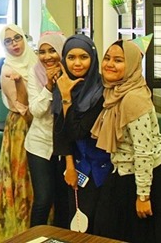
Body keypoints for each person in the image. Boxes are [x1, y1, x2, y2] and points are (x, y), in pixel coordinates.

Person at [91, 39, 161, 243]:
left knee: (143, 234)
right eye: (107, 58)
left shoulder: (132, 97)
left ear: (131, 64)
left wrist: (143, 196)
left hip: (148, 176)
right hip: (124, 171)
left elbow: (143, 151)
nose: (110, 64)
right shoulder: (114, 91)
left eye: (118, 60)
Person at [52, 34, 112, 234]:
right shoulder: (61, 85)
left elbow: (78, 131)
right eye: (71, 57)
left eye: (83, 57)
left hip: (102, 166)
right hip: (75, 165)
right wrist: (69, 166)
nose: (77, 63)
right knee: (76, 223)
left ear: (93, 59)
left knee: (100, 223)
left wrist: (67, 98)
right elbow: (60, 131)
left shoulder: (102, 90)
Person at [0, 24, 37, 243]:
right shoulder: (8, 70)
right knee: (22, 177)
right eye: (8, 41)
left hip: (41, 124)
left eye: (17, 38)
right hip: (22, 126)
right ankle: (20, 229)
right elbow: (23, 107)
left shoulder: (36, 61)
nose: (14, 44)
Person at [25, 32, 69, 228]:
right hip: (39, 144)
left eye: (52, 50)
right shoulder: (34, 73)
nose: (47, 56)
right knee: (43, 199)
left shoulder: (73, 73)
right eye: (42, 52)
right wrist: (49, 86)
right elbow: (36, 110)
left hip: (66, 148)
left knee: (63, 199)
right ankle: (34, 238)